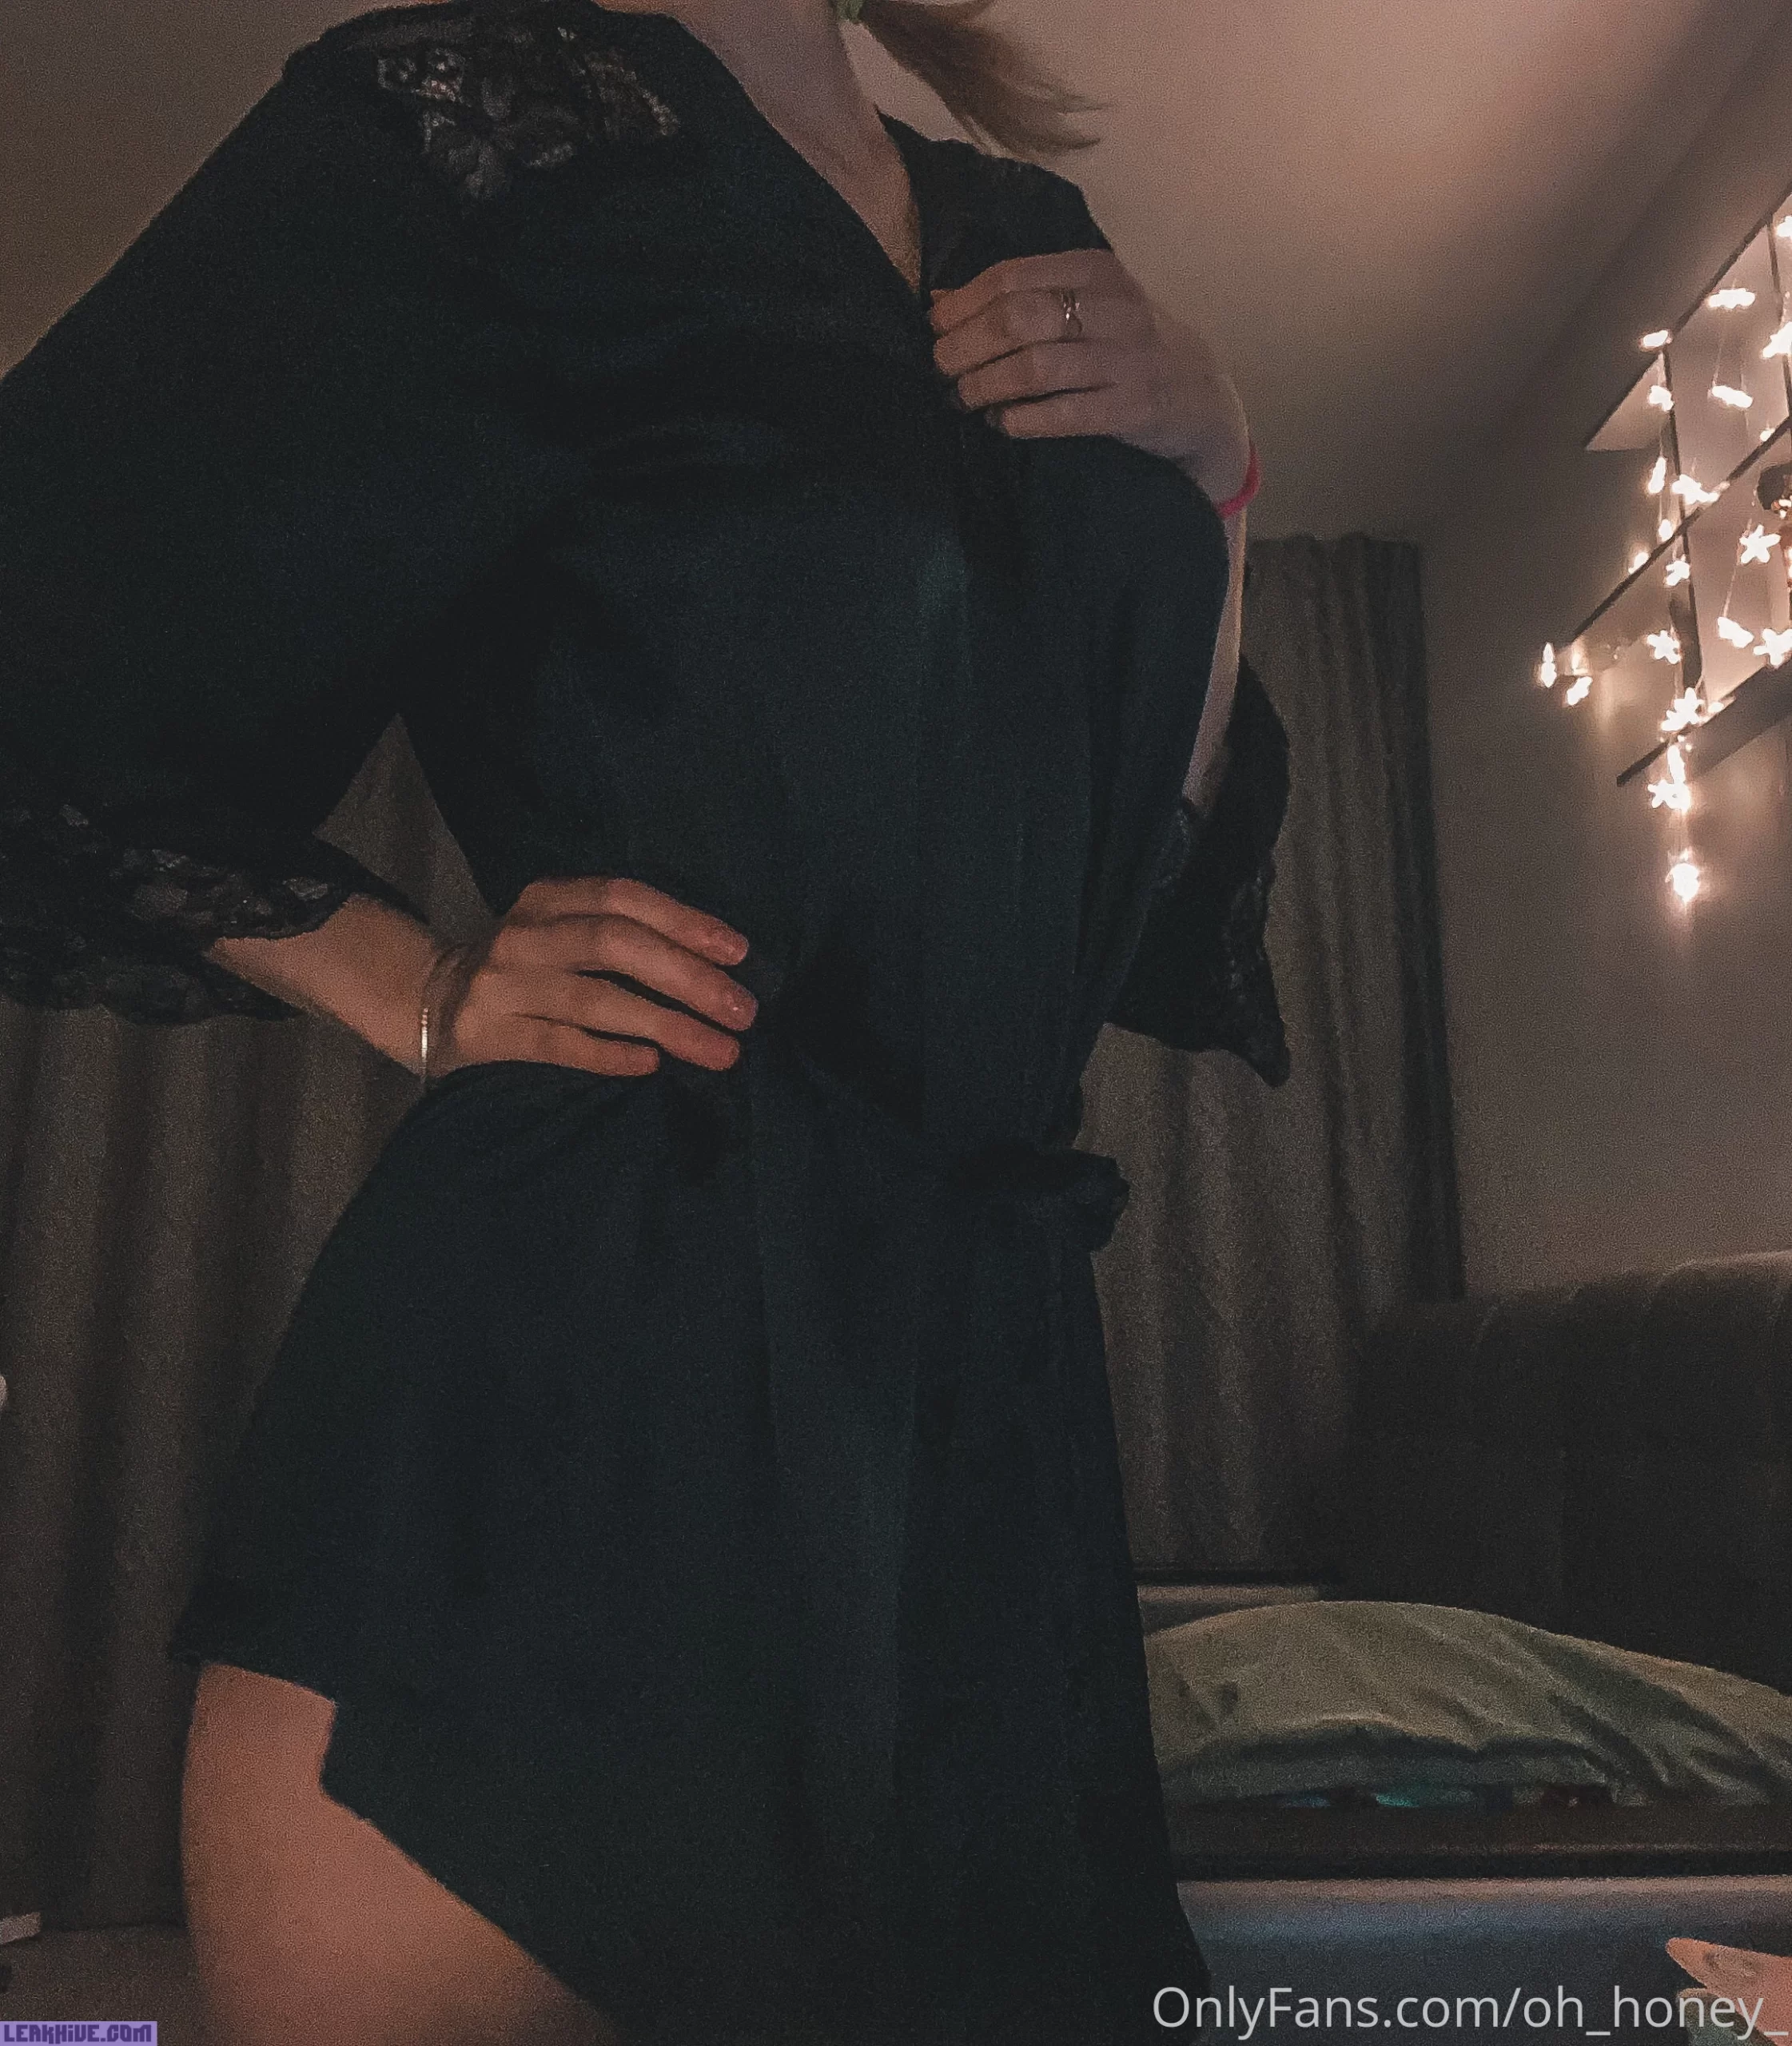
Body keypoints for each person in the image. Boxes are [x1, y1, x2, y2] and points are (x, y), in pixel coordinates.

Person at [0, 0, 1289, 2037]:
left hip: (983, 1405)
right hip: (587, 1331)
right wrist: (419, 984)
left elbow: (1146, 852)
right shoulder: (474, 123)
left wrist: (1218, 466)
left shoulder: (1023, 224)